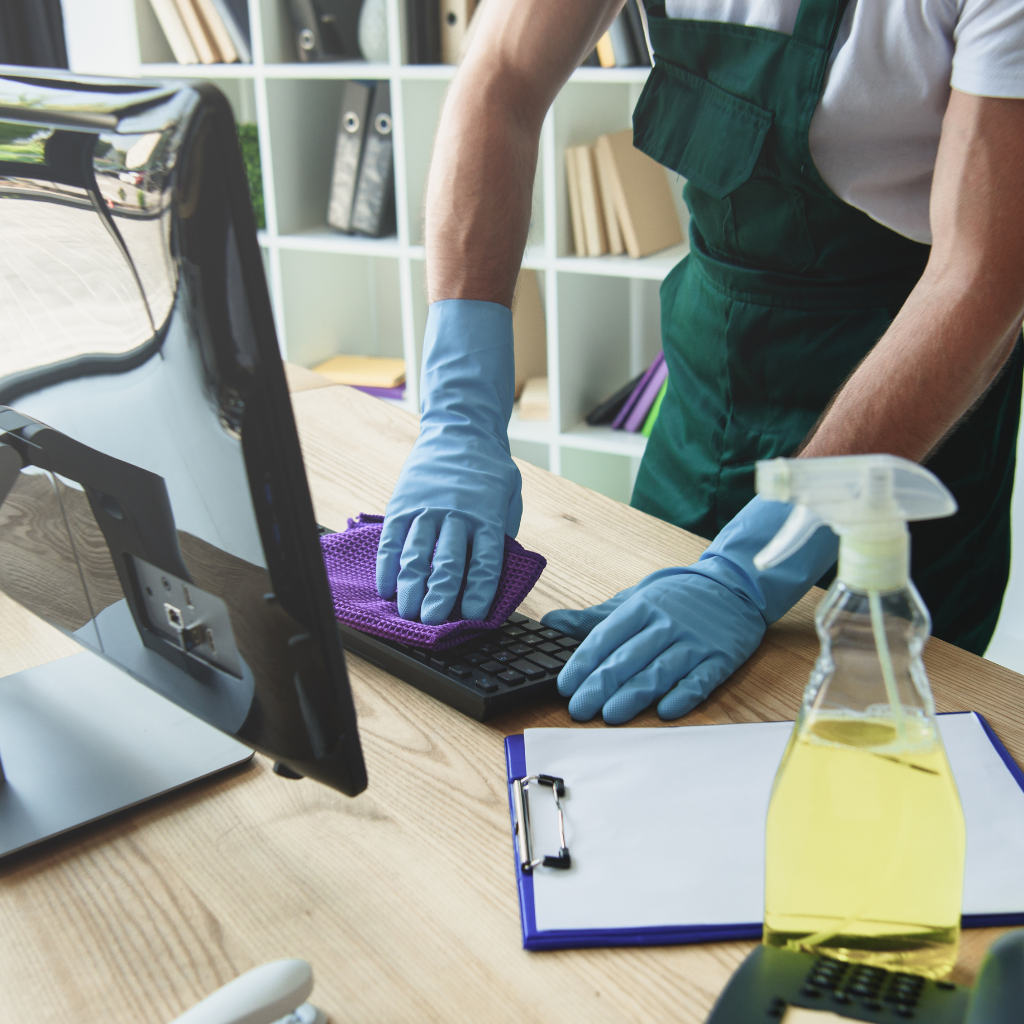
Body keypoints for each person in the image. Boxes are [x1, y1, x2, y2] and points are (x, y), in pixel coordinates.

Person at [376, 0, 1024, 724]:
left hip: (904, 419)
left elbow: (983, 277)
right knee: (621, 720)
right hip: (708, 392)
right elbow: (500, 77)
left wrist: (757, 563)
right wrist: (459, 413)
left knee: (862, 748)